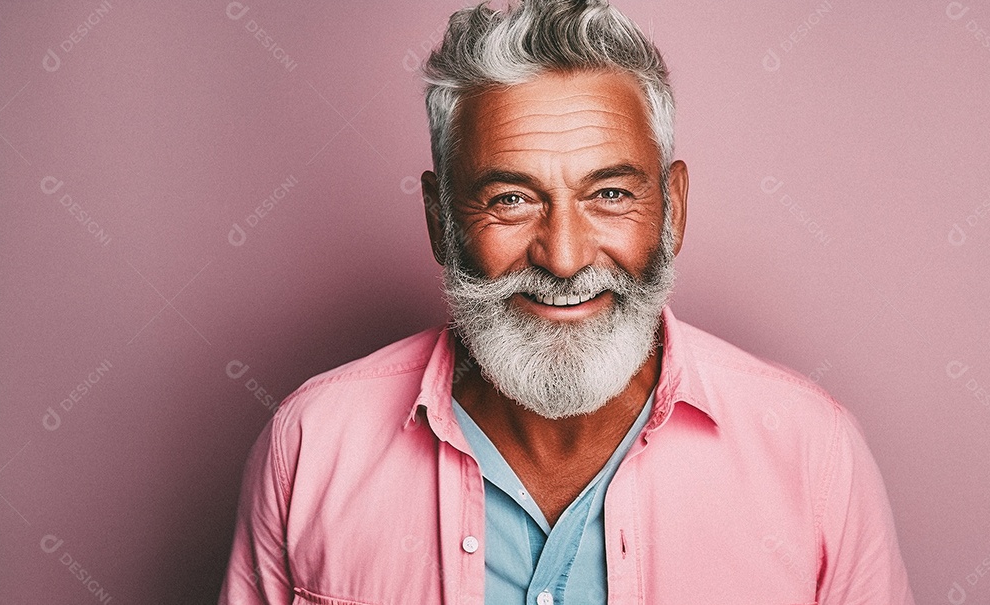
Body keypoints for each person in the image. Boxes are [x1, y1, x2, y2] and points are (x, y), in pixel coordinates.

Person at [219, 1, 915, 603]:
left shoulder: (815, 454)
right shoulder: (310, 445)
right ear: (439, 220)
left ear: (672, 209)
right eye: (510, 199)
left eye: (609, 194)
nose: (564, 257)